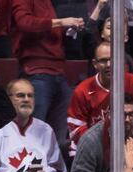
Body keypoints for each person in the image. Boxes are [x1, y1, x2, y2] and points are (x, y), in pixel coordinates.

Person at [9, 0, 84, 143]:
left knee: (60, 137)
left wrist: (68, 28)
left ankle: (54, 164)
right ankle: (30, 164)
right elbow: (24, 22)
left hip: (59, 73)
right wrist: (61, 22)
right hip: (37, 72)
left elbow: (48, 30)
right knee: (34, 133)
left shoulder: (48, 3)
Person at [67, 42, 133, 157]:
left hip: (128, 148)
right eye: (103, 60)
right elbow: (76, 129)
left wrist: (125, 142)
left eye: (113, 59)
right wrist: (102, 144)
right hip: (91, 151)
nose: (109, 64)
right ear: (95, 64)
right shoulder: (83, 90)